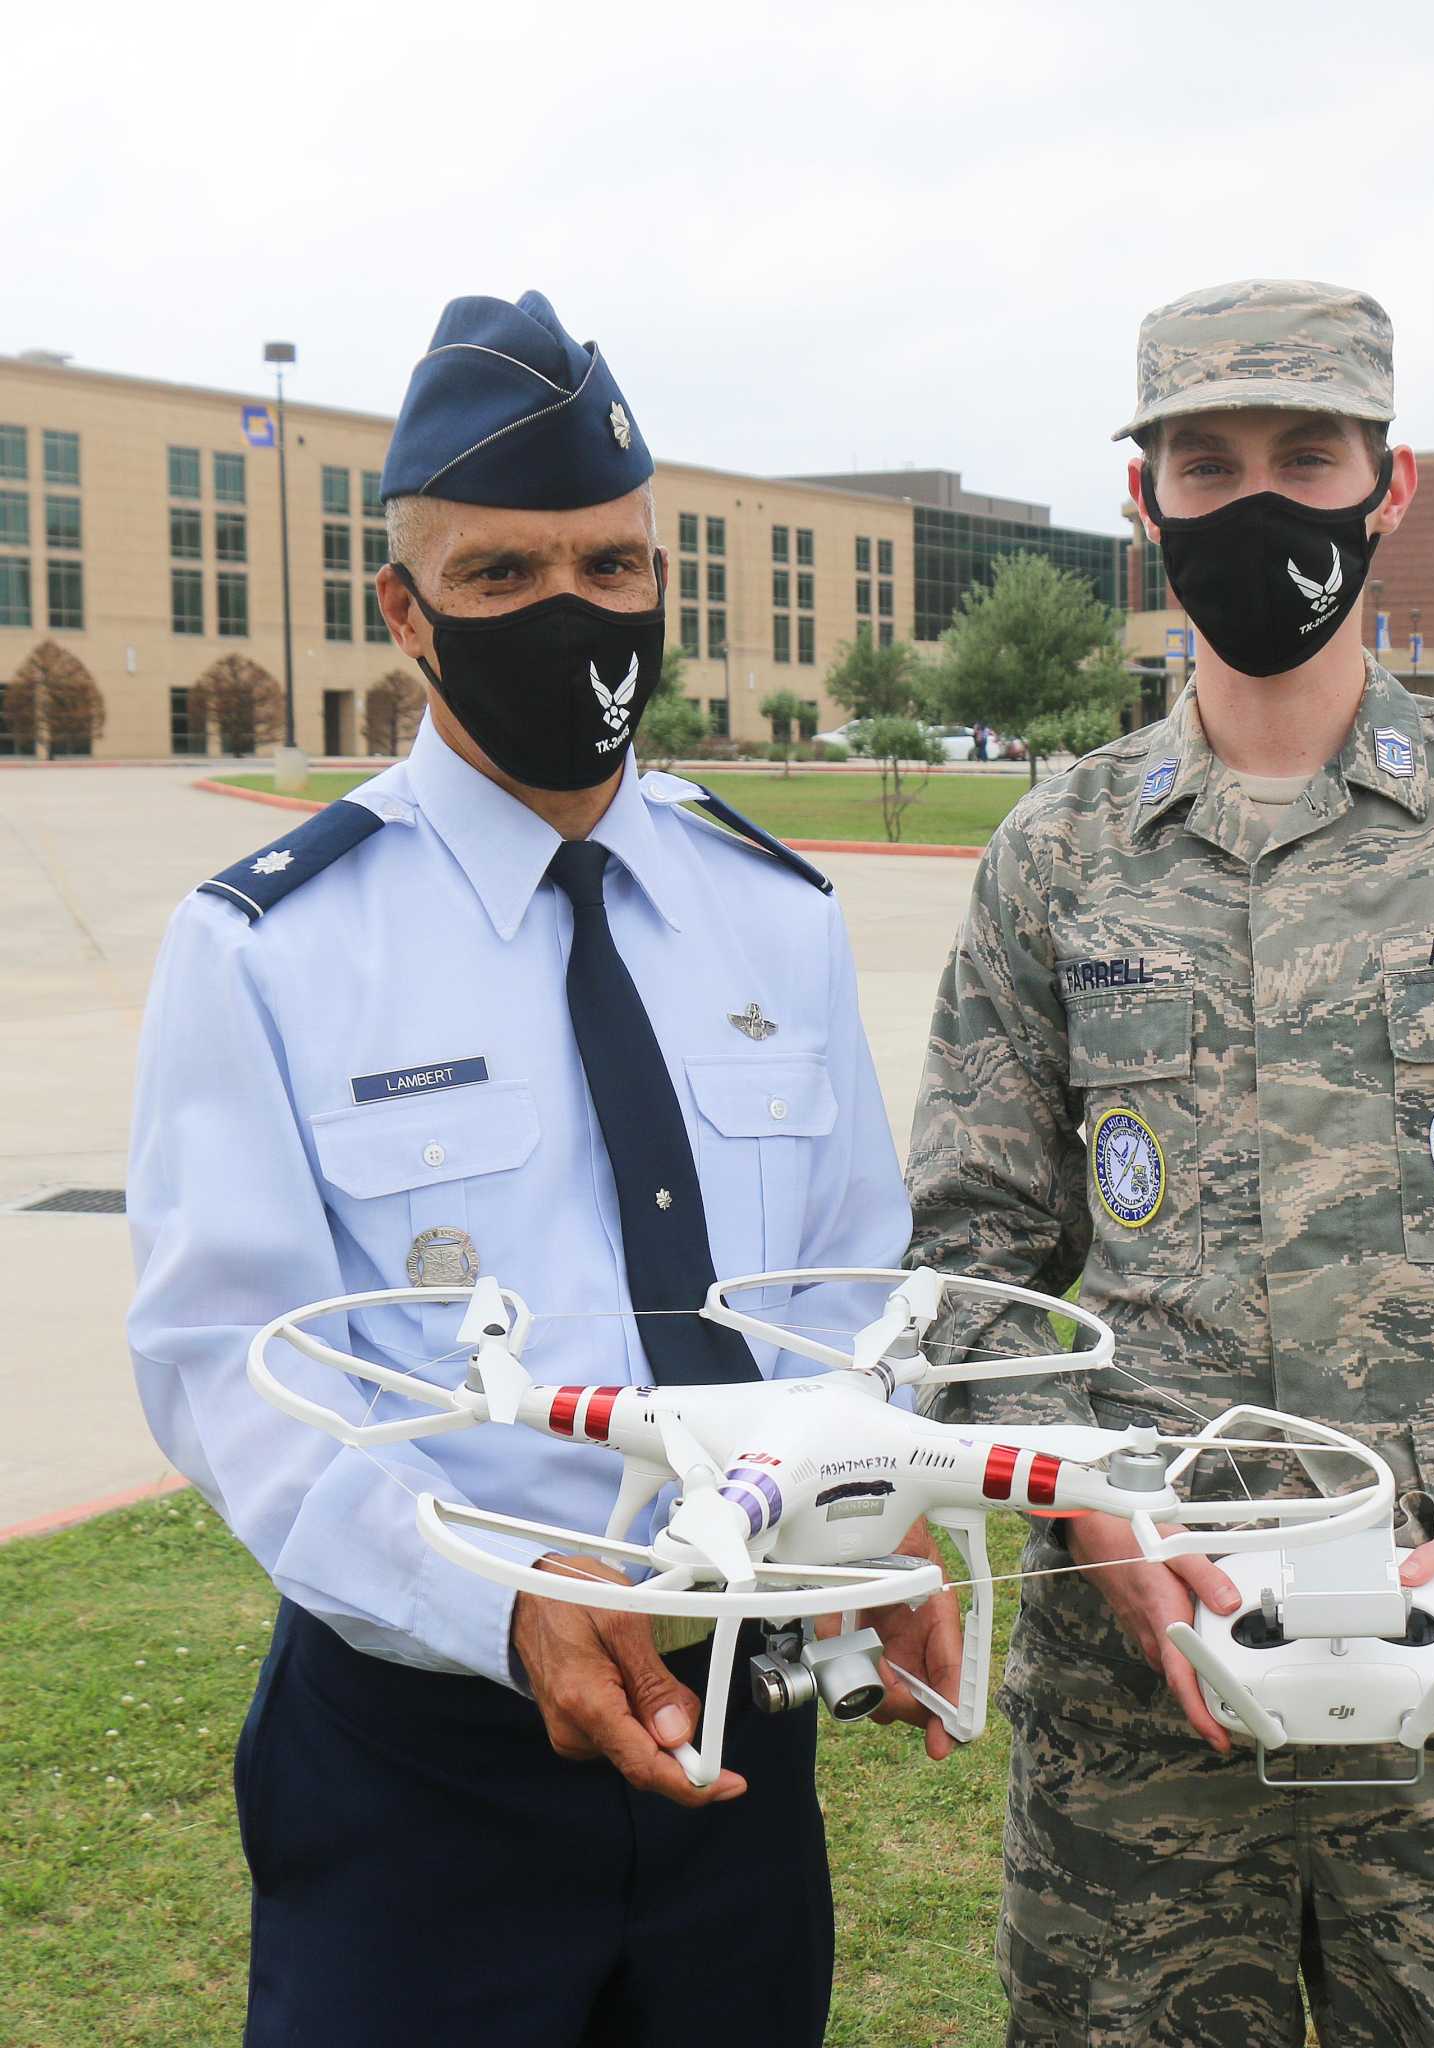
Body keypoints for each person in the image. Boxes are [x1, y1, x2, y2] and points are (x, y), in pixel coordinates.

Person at [906, 278, 1434, 2045]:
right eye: (1204, 464)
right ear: (1142, 503)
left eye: (1306, 453)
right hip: (1142, 1729)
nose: (1256, 499)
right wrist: (1092, 1519)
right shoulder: (1056, 855)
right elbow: (970, 1273)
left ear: (1393, 485)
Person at [127, 288, 960, 2048]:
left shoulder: (772, 911)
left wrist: (872, 1526)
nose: (568, 611)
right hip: (428, 1764)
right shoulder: (275, 946)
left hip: (741, 1731)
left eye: (610, 564)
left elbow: (847, 1290)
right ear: (405, 612)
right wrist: (503, 1608)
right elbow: (229, 1362)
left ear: (663, 581)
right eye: (503, 577)